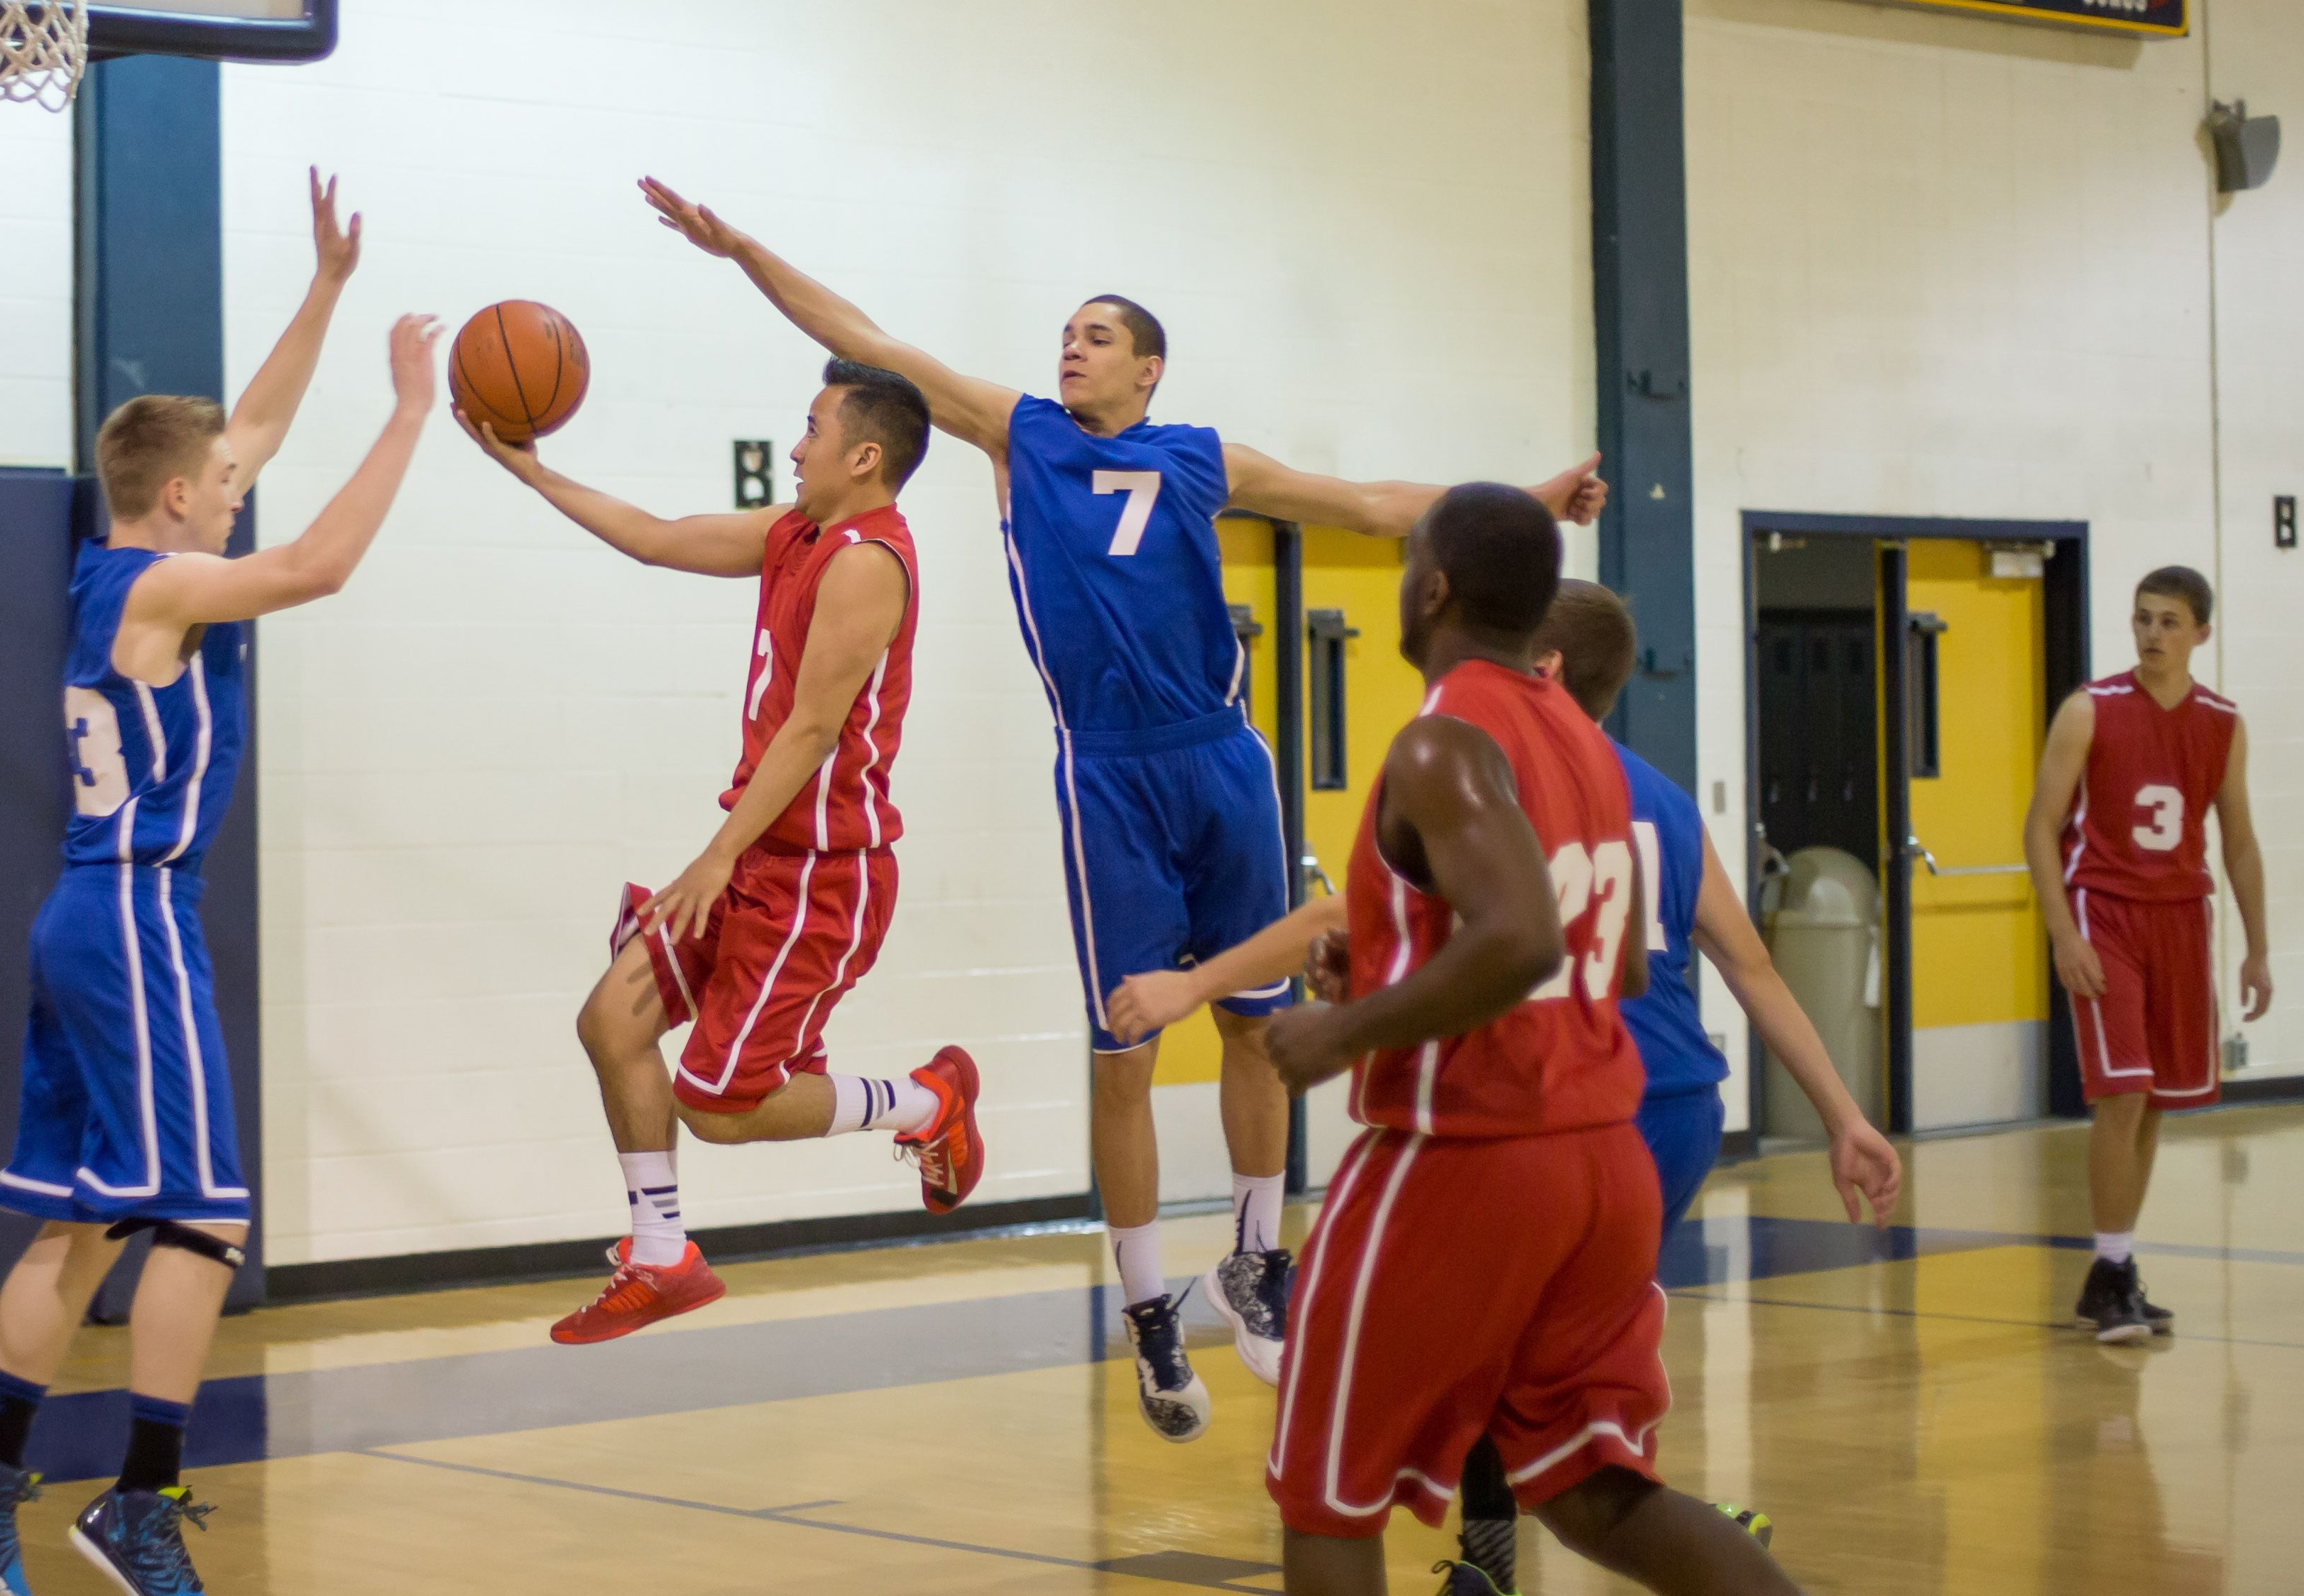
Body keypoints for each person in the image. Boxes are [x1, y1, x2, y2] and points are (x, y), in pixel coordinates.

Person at [638, 175, 1605, 1440]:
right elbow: (870, 342)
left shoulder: (1203, 458)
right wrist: (740, 247)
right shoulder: (1019, 430)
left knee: (1257, 1026)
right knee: (1125, 1045)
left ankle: (1259, 1255)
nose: (1071, 346)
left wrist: (1532, 499)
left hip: (1221, 755)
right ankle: (1149, 1308)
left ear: (1148, 370)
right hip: (1104, 766)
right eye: (1067, 332)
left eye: (1098, 335)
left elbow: (1374, 505)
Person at [1149, 486, 1960, 1596]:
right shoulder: (1588, 750)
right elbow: (1586, 943)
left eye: (1410, 562)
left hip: (1466, 1154)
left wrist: (1341, 1027)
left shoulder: (1447, 736)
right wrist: (1391, 964)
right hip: (1606, 1152)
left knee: (1320, 1487)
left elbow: (1522, 934)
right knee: (1588, 1483)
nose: (1404, 576)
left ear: (1435, 588)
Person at [0, 175, 439, 1596]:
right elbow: (320, 562)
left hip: (85, 908)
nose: (244, 477)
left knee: (86, 1221)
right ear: (178, 498)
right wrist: (407, 414)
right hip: (137, 912)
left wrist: (326, 288)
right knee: (203, 1212)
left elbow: (246, 427)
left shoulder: (112, 556)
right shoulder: (171, 583)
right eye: (225, 477)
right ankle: (138, 1495)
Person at [457, 358, 987, 1344]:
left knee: (722, 1104)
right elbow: (656, 541)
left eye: (814, 429)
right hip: (753, 856)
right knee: (611, 1023)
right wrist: (532, 472)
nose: (796, 445)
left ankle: (927, 1099)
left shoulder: (869, 560)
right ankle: (662, 1257)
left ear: (864, 455)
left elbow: (813, 730)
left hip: (820, 874)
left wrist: (711, 857)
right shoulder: (796, 534)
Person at [2023, 565, 2269, 1344]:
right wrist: (2063, 932)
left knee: (2155, 1098)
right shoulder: (2087, 709)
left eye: (2167, 621)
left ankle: (2113, 1271)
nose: (2151, 634)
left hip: (2180, 918)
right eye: (2140, 620)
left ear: (2200, 632)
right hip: (2104, 912)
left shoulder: (2221, 722)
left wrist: (2256, 949)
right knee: (2121, 1090)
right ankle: (2110, 1263)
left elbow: (2237, 840)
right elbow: (2039, 825)